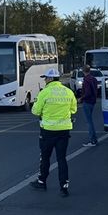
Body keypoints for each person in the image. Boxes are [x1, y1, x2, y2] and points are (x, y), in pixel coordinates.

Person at [30, 68, 77, 197]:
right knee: (62, 159)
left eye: (45, 78)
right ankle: (64, 186)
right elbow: (73, 109)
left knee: (45, 158)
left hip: (47, 131)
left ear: (50, 79)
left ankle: (42, 181)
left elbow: (35, 111)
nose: (44, 80)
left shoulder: (44, 92)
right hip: (64, 131)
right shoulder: (68, 92)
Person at [79, 65, 99, 146]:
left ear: (83, 71)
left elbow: (87, 93)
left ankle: (93, 140)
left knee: (89, 122)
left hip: (87, 102)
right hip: (92, 101)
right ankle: (94, 139)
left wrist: (81, 98)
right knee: (90, 121)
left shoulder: (86, 80)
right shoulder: (93, 79)